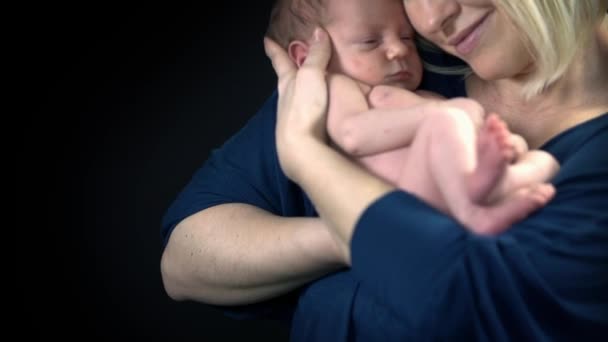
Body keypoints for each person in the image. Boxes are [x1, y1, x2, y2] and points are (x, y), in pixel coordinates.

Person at [161, 0, 608, 340]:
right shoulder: (377, 76)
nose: (431, 19)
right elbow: (185, 261)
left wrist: (309, 159)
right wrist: (356, 233)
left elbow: (471, 302)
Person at [265, 0, 559, 234]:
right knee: (450, 120)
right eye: (370, 41)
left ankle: (498, 191)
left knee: (542, 161)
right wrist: (440, 114)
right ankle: (473, 211)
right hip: (413, 197)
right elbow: (353, 135)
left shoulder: (421, 96)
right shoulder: (338, 86)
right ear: (308, 56)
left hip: (455, 182)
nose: (398, 50)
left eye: (407, 37)